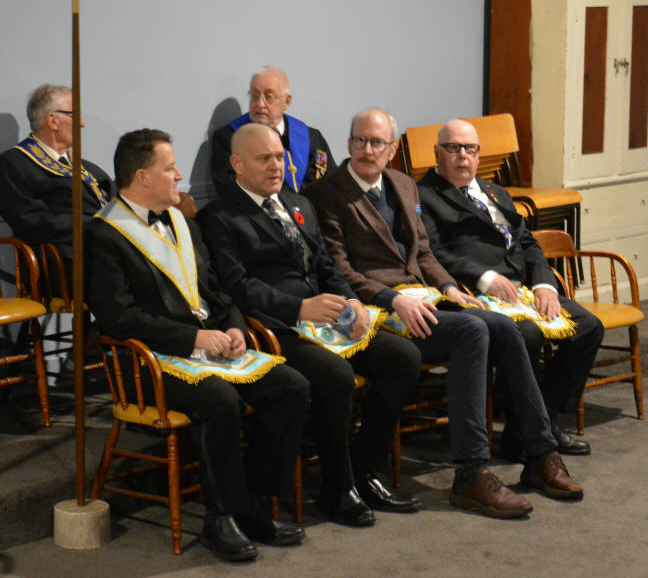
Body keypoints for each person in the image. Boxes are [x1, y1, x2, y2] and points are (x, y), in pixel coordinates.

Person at [306, 107, 584, 519]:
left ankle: (539, 455)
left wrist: (451, 288)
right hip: (379, 307)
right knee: (473, 332)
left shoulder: (402, 183)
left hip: (426, 296)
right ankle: (471, 472)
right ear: (348, 143)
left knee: (505, 327)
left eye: (377, 142)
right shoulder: (327, 192)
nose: (367, 149)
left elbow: (424, 252)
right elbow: (339, 268)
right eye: (360, 140)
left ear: (391, 149)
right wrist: (392, 299)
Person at [86, 128, 309, 561]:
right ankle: (220, 518)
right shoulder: (104, 234)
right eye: (169, 168)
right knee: (220, 400)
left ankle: (256, 504)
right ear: (142, 177)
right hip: (148, 361)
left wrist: (235, 328)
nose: (179, 175)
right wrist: (193, 337)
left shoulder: (183, 223)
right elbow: (118, 318)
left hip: (208, 348)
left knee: (291, 386)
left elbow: (215, 292)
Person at [198, 123, 422, 527]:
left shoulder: (297, 201)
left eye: (279, 157)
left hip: (326, 316)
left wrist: (353, 302)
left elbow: (326, 266)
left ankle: (365, 469)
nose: (275, 166)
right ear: (237, 164)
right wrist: (300, 308)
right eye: (263, 159)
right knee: (335, 376)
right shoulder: (220, 216)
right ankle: (338, 489)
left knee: (403, 357)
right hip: (275, 326)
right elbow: (237, 287)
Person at [417, 119, 604, 458]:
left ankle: (537, 424)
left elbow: (528, 243)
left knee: (589, 326)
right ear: (437, 153)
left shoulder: (495, 192)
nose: (463, 156)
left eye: (470, 149)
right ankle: (534, 432)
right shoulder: (424, 196)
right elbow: (433, 251)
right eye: (453, 148)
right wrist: (485, 277)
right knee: (527, 334)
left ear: (479, 154)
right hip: (477, 293)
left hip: (525, 290)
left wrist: (545, 285)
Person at [0, 84, 113, 269]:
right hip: (64, 260)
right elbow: (33, 222)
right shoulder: (14, 164)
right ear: (53, 120)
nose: (82, 123)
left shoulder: (86, 166)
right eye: (75, 115)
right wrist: (98, 225)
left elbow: (117, 199)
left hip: (104, 249)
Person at [211, 66, 335, 196]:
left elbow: (331, 183)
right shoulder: (229, 139)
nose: (260, 104)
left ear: (287, 101)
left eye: (268, 97)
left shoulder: (311, 137)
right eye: (255, 96)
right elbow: (232, 192)